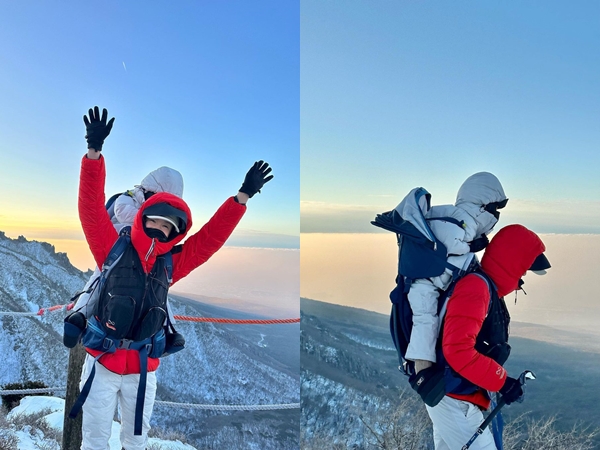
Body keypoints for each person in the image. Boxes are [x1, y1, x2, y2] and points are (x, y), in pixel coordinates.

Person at [71, 106, 273, 450]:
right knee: (93, 440)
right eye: (156, 221)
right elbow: (90, 207)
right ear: (144, 216)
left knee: (135, 442)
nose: (160, 231)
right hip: (102, 362)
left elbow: (209, 240)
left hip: (142, 368)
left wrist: (242, 198)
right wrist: (94, 152)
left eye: (169, 228)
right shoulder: (112, 248)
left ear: (176, 233)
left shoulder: (169, 264)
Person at [424, 224, 551, 450]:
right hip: (455, 400)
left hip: (454, 396)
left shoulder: (484, 288)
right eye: (523, 270)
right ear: (512, 263)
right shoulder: (476, 288)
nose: (522, 277)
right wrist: (502, 381)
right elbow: (458, 350)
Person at [403, 172, 508, 374]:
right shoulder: (463, 221)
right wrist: (471, 247)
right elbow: (451, 244)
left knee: (426, 321)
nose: (496, 216)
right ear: (482, 206)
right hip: (425, 282)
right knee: (426, 320)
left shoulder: (455, 216)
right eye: (495, 208)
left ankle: (424, 367)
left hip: (426, 277)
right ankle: (422, 372)